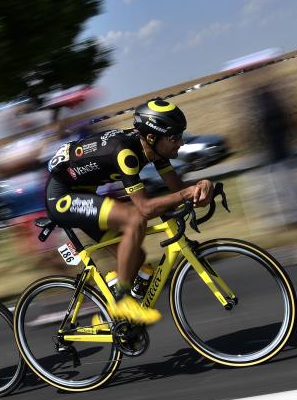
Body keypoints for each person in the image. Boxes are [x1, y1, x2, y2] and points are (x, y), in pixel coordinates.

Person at [43, 98, 214, 325]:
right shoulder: (125, 154)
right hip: (62, 197)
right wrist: (185, 195)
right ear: (152, 137)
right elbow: (144, 208)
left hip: (85, 194)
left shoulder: (155, 151)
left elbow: (179, 191)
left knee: (137, 256)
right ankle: (121, 300)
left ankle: (108, 320)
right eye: (174, 137)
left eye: (180, 135)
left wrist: (202, 188)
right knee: (134, 220)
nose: (180, 143)